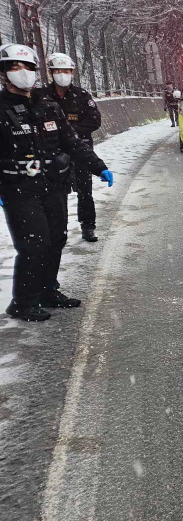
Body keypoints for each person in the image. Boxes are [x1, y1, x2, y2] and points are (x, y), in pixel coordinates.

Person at [0, 43, 113, 322]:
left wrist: (98, 166)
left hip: (53, 184)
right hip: (18, 188)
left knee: (56, 238)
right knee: (34, 243)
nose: (22, 72)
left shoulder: (48, 106)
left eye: (27, 67)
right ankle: (23, 301)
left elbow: (72, 142)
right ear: (3, 73)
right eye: (14, 67)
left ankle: (47, 290)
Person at [37, 53, 103, 242]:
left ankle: (88, 226)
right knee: (56, 194)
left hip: (80, 150)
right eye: (58, 71)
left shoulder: (81, 96)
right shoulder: (41, 96)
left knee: (85, 191)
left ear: (72, 73)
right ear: (51, 73)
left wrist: (69, 132)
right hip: (54, 154)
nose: (62, 74)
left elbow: (94, 120)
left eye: (66, 71)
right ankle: (58, 230)